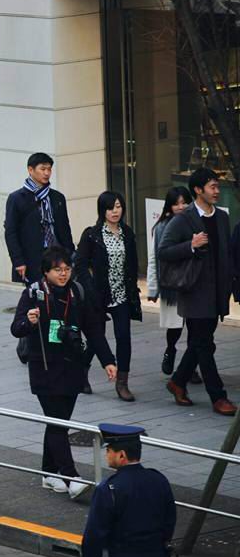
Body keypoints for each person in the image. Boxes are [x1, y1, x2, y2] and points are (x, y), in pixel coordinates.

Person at [10, 246, 118, 499]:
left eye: (67, 269)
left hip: (71, 366)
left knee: (58, 422)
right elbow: (16, 328)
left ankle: (49, 473)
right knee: (58, 422)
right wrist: (29, 321)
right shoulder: (34, 293)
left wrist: (107, 360)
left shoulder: (76, 292)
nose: (63, 274)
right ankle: (71, 476)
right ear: (45, 272)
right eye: (57, 270)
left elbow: (93, 329)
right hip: (44, 367)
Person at [159, 168, 237, 415]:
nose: (217, 191)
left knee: (199, 342)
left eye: (217, 186)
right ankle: (218, 396)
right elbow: (164, 251)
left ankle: (177, 382)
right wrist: (190, 246)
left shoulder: (222, 217)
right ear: (198, 189)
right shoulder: (184, 219)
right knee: (204, 344)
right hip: (194, 291)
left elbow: (226, 254)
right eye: (212, 187)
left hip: (217, 292)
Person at [80, 424, 176, 557]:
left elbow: (95, 532)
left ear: (121, 455)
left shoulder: (109, 488)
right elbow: (169, 520)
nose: (106, 455)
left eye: (109, 450)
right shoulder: (158, 480)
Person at [75, 191, 142, 401]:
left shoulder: (127, 233)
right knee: (96, 337)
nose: (115, 211)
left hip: (121, 294)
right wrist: (89, 288)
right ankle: (82, 371)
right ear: (102, 210)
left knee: (124, 337)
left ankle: (122, 383)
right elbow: (80, 264)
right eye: (110, 207)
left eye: (118, 207)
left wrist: (133, 289)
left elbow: (133, 264)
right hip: (98, 295)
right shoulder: (92, 235)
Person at [148, 187, 199, 381]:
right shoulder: (161, 228)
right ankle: (170, 350)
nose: (181, 207)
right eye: (177, 203)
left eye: (185, 202)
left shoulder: (196, 223)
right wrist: (153, 289)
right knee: (175, 327)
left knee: (195, 327)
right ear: (169, 206)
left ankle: (190, 368)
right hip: (171, 284)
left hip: (193, 283)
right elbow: (153, 259)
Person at [4, 152, 74, 284]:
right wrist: (18, 261)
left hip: (57, 254)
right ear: (30, 170)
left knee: (60, 290)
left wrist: (70, 253)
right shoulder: (17, 198)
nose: (47, 173)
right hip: (32, 257)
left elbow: (65, 228)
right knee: (37, 292)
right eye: (43, 169)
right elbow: (11, 232)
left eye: (49, 169)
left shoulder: (57, 197)